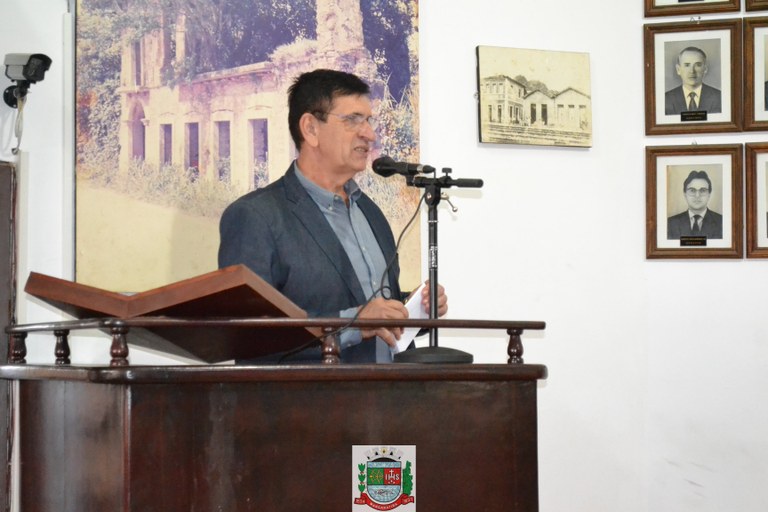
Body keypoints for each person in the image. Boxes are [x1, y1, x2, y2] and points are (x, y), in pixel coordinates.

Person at [218, 68, 447, 363]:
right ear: (311, 129)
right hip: (310, 392)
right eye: (353, 120)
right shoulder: (255, 217)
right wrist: (354, 325)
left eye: (368, 120)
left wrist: (412, 308)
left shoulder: (370, 212)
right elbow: (250, 333)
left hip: (388, 388)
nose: (369, 134)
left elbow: (370, 309)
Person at [664, 46, 722, 115]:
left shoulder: (719, 97)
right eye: (687, 65)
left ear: (705, 69)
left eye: (698, 65)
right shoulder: (666, 99)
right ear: (678, 69)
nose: (692, 71)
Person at [667, 170, 723, 240]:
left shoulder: (721, 222)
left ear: (709, 194)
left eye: (703, 190)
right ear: (685, 194)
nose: (697, 195)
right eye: (692, 190)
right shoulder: (670, 223)